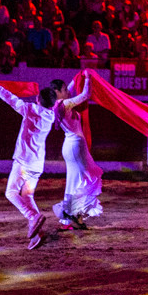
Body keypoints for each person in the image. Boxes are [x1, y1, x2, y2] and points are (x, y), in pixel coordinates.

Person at [0, 77, 58, 249]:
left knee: (11, 193)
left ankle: (32, 217)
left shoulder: (30, 109)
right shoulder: (51, 116)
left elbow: (11, 99)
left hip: (23, 163)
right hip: (37, 166)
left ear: (38, 99)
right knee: (27, 196)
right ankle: (37, 234)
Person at [49, 74, 104, 229]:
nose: (68, 91)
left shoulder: (59, 104)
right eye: (64, 89)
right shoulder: (64, 104)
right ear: (56, 91)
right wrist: (87, 78)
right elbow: (85, 94)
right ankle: (70, 214)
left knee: (77, 182)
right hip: (75, 146)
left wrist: (77, 77)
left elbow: (70, 90)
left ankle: (73, 219)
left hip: (73, 145)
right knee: (87, 178)